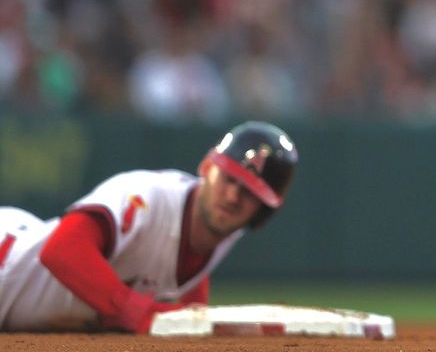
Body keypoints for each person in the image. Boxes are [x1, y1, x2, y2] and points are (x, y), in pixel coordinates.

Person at [0, 121, 297, 333]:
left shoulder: (223, 230)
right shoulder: (148, 197)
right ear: (207, 167)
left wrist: (196, 324)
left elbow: (187, 275)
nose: (233, 197)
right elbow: (61, 249)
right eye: (229, 179)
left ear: (265, 209)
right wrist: (132, 311)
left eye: (249, 192)